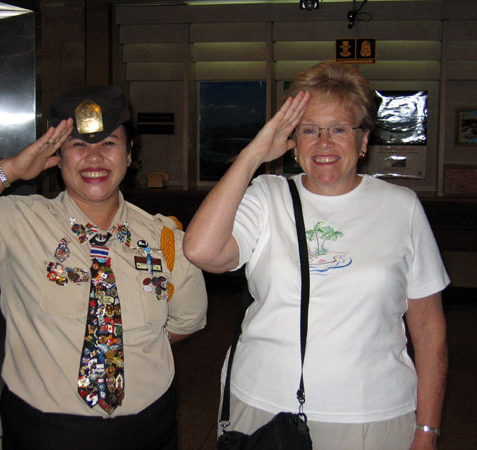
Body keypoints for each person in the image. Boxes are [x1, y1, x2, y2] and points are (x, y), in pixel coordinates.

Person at [0, 85, 207, 450]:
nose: (94, 158)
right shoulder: (20, 222)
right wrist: (12, 170)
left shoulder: (166, 239)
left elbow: (184, 323)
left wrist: (125, 345)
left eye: (109, 143)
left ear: (130, 154)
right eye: (79, 145)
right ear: (57, 155)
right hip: (45, 431)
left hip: (147, 428)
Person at [183, 61, 448, 450]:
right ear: (293, 140)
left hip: (371, 415)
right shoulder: (267, 195)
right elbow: (200, 250)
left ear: (363, 141)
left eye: (339, 129)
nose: (324, 143)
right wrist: (254, 153)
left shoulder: (400, 208)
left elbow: (428, 329)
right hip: (263, 407)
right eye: (309, 130)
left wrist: (427, 430)